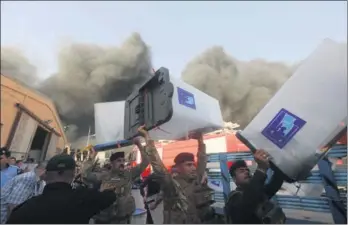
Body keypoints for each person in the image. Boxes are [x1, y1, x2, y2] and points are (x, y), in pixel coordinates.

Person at [6, 154, 117, 224]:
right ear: (73, 174)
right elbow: (110, 197)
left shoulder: (26, 208)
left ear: (46, 174)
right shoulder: (84, 199)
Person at [138, 126, 216, 224]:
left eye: (193, 165)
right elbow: (158, 167)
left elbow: (202, 161)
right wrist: (147, 138)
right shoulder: (172, 184)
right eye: (188, 165)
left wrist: (200, 141)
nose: (193, 168)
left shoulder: (195, 180)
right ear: (178, 167)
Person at [81, 138, 150, 224]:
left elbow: (146, 162)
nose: (122, 163)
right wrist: (92, 156)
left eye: (123, 160)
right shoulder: (104, 176)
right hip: (105, 220)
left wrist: (139, 145)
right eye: (118, 161)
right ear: (111, 163)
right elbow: (84, 174)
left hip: (123, 219)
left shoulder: (129, 174)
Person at [225, 149, 286, 224]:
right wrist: (261, 169)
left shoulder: (259, 192)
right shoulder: (234, 199)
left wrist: (280, 166)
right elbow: (249, 201)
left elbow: (273, 186)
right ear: (234, 179)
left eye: (247, 170)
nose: (246, 172)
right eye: (241, 171)